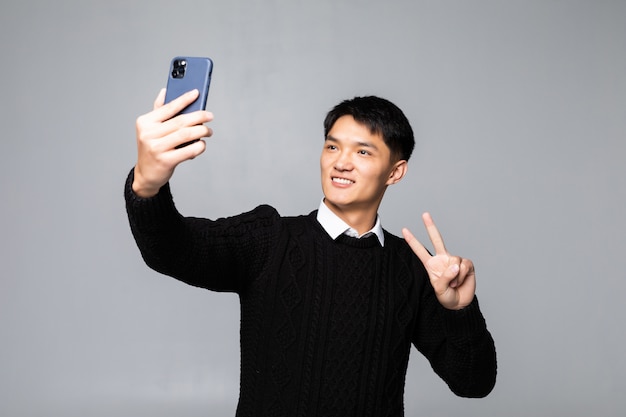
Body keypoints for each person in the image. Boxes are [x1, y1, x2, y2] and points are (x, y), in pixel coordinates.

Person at [125, 88, 497, 417]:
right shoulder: (269, 238)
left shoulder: (414, 269)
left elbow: (473, 382)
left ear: (395, 172)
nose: (341, 162)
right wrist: (147, 184)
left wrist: (460, 310)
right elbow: (170, 250)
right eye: (332, 146)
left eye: (363, 151)